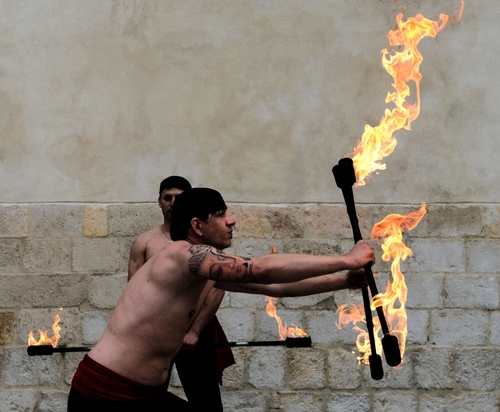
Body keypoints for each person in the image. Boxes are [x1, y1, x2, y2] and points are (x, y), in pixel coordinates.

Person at [68, 187, 375, 411]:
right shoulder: (180, 255)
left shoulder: (202, 272)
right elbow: (260, 268)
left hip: (142, 395)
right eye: (221, 215)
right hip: (104, 394)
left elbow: (276, 286)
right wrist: (346, 259)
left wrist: (343, 280)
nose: (232, 221)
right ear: (197, 226)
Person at [128, 175, 234, 411]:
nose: (173, 202)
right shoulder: (145, 242)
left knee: (206, 401)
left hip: (195, 332)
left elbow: (217, 288)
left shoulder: (206, 243)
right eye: (168, 197)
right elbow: (134, 291)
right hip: (157, 334)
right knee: (149, 398)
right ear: (159, 201)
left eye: (179, 198)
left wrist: (194, 331)